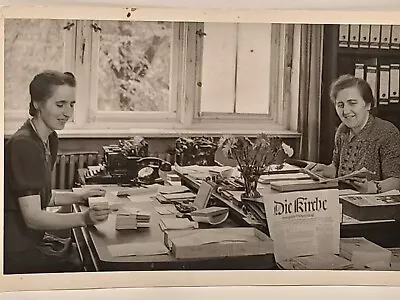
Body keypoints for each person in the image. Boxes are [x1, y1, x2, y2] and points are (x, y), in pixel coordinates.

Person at [4, 70, 111, 274]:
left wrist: (79, 195)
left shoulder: (49, 138)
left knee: (83, 252)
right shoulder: (25, 144)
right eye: (60, 104)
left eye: (72, 104)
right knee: (89, 264)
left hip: (33, 240)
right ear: (37, 103)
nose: (68, 113)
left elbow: (44, 197)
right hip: (16, 250)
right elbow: (33, 216)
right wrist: (84, 218)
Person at [307, 74, 400, 193]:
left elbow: (396, 180)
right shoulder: (342, 130)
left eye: (352, 103)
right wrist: (323, 170)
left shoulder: (387, 133)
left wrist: (371, 187)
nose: (345, 111)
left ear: (368, 105)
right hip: (343, 197)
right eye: (340, 105)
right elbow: (337, 168)